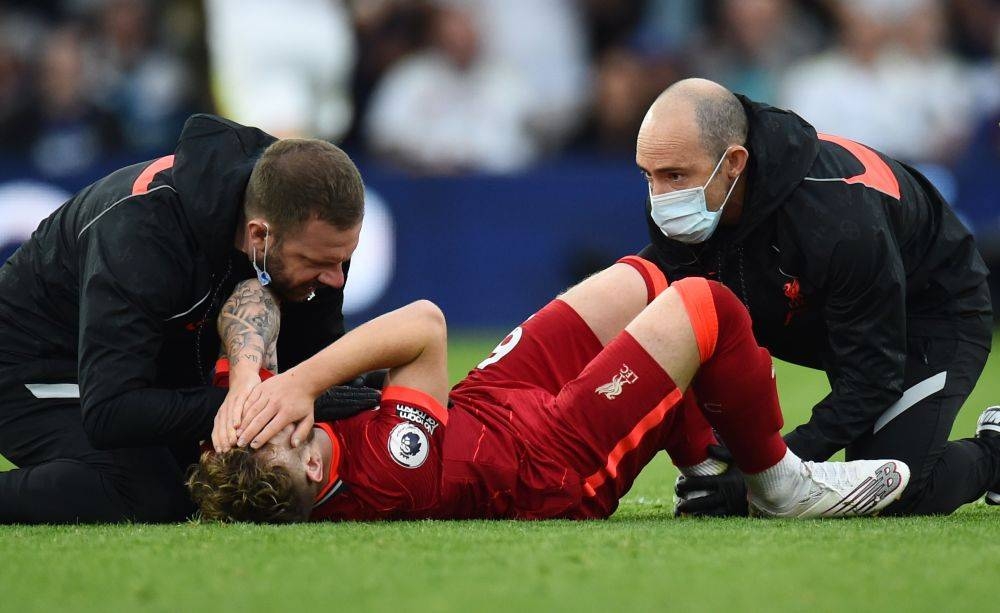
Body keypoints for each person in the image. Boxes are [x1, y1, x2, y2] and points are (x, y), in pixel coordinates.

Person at [187, 257, 911, 522]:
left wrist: (246, 375)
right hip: (547, 460)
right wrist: (307, 379)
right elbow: (426, 327)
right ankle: (778, 481)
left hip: (489, 405)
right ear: (314, 468)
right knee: (702, 304)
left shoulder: (274, 442)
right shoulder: (388, 473)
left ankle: (705, 469)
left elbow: (243, 309)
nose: (271, 417)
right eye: (279, 431)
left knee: (642, 280)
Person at [635, 78, 996, 516]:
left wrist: (764, 475)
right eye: (648, 176)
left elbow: (872, 375)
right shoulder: (693, 189)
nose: (661, 198)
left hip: (928, 311)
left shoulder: (838, 218)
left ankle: (995, 452)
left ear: (733, 162)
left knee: (895, 484)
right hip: (817, 306)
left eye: (675, 176)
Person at [0, 114, 372, 524]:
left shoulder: (306, 226)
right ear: (258, 235)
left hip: (149, 366)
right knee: (156, 492)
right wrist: (258, 404)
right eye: (319, 263)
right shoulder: (142, 234)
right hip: (34, 366)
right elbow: (110, 410)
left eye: (343, 259)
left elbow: (315, 364)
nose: (335, 279)